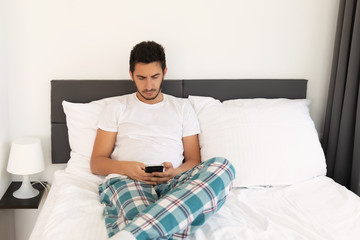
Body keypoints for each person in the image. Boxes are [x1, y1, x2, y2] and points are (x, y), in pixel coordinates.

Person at [90, 41, 235, 240]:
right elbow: (96, 162)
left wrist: (176, 172)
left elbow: (193, 160)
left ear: (164, 72)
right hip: (129, 180)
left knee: (223, 167)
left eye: (155, 77)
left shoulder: (182, 108)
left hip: (175, 182)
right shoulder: (117, 106)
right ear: (131, 75)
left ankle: (131, 234)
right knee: (148, 218)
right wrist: (126, 168)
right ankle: (141, 232)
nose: (148, 86)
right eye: (141, 78)